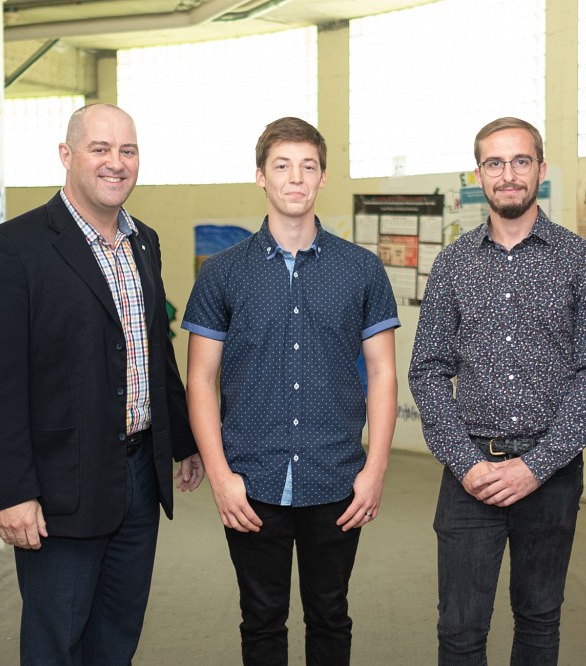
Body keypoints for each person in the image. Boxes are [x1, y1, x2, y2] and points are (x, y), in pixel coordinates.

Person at [0, 103, 204, 664]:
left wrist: (184, 441)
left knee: (116, 637)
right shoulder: (13, 249)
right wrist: (12, 491)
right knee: (56, 641)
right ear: (66, 156)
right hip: (59, 488)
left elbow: (153, 349)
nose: (115, 164)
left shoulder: (143, 240)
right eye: (100, 149)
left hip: (140, 477)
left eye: (128, 151)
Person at [183, 117, 399, 666]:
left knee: (330, 616)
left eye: (307, 166)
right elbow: (200, 379)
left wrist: (373, 472)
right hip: (251, 482)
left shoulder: (362, 270)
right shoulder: (222, 273)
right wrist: (220, 476)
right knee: (261, 621)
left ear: (323, 176)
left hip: (337, 479)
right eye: (282, 165)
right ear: (261, 176)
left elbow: (382, 374)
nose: (295, 178)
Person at [408, 117, 586, 664]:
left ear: (541, 171)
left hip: (549, 478)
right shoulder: (453, 264)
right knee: (458, 630)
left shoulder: (581, 261)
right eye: (495, 163)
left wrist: (538, 465)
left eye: (521, 161)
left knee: (539, 623)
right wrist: (467, 463)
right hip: (468, 475)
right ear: (479, 175)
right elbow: (427, 370)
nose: (508, 175)